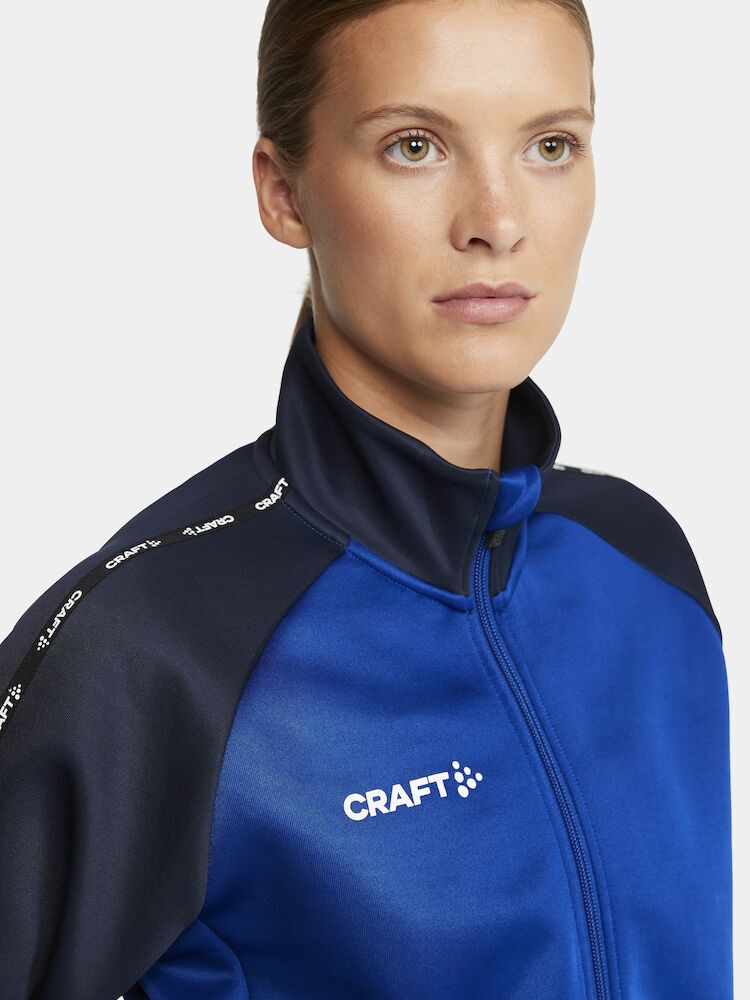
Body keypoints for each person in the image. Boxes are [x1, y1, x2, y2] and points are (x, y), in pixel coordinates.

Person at [0, 0, 733, 997]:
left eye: (550, 145)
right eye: (415, 146)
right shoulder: (158, 652)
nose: (497, 222)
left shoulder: (645, 567)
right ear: (284, 194)